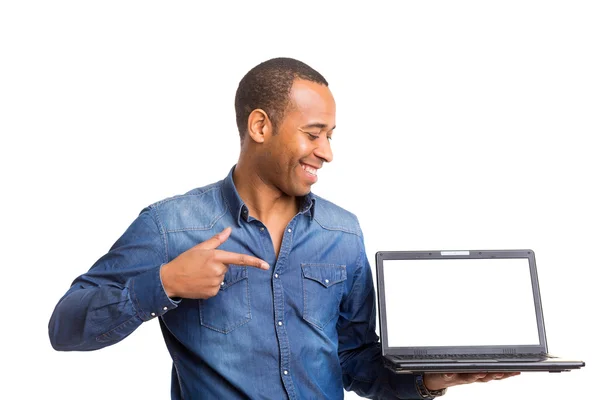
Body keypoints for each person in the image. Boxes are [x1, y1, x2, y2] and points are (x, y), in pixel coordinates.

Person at [48, 57, 518, 399]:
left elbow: (355, 361)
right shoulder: (171, 227)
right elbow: (65, 327)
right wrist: (165, 283)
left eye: (330, 136)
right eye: (313, 134)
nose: (327, 152)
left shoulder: (343, 234)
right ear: (259, 126)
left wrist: (430, 380)